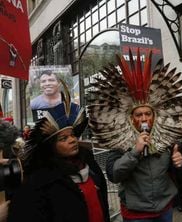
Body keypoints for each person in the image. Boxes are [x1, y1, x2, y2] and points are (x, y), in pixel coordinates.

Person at [88, 49, 182, 222]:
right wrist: (134, 152)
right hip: (136, 212)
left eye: (148, 113)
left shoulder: (168, 138)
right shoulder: (119, 142)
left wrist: (180, 163)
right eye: (139, 115)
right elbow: (114, 176)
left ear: (154, 115)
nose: (144, 118)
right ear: (131, 118)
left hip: (165, 208)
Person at [7, 81, 110, 222]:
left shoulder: (89, 165)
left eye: (73, 135)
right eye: (64, 138)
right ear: (52, 146)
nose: (72, 140)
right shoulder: (40, 180)